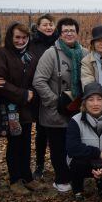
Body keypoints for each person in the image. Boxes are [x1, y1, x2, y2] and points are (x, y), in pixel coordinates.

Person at [32, 17, 89, 193]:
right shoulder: (51, 53)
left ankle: (75, 177)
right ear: (60, 33)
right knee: (58, 147)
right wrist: (56, 102)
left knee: (75, 146)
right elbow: (39, 81)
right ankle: (62, 179)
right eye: (65, 31)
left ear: (77, 33)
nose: (69, 33)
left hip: (77, 109)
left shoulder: (85, 53)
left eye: (72, 30)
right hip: (55, 111)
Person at [0, 22, 44, 195]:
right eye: (17, 37)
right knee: (14, 143)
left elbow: (38, 80)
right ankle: (15, 179)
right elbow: (0, 83)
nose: (21, 40)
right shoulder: (2, 54)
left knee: (25, 142)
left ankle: (27, 177)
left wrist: (33, 94)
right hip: (10, 107)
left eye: (24, 37)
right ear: (10, 37)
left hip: (27, 108)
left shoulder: (31, 56)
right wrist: (22, 94)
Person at [29, 13, 57, 181]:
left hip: (57, 92)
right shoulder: (32, 45)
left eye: (51, 24)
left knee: (59, 131)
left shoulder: (59, 42)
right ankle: (39, 164)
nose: (48, 27)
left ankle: (59, 162)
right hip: (39, 94)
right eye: (45, 24)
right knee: (41, 132)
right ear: (38, 27)